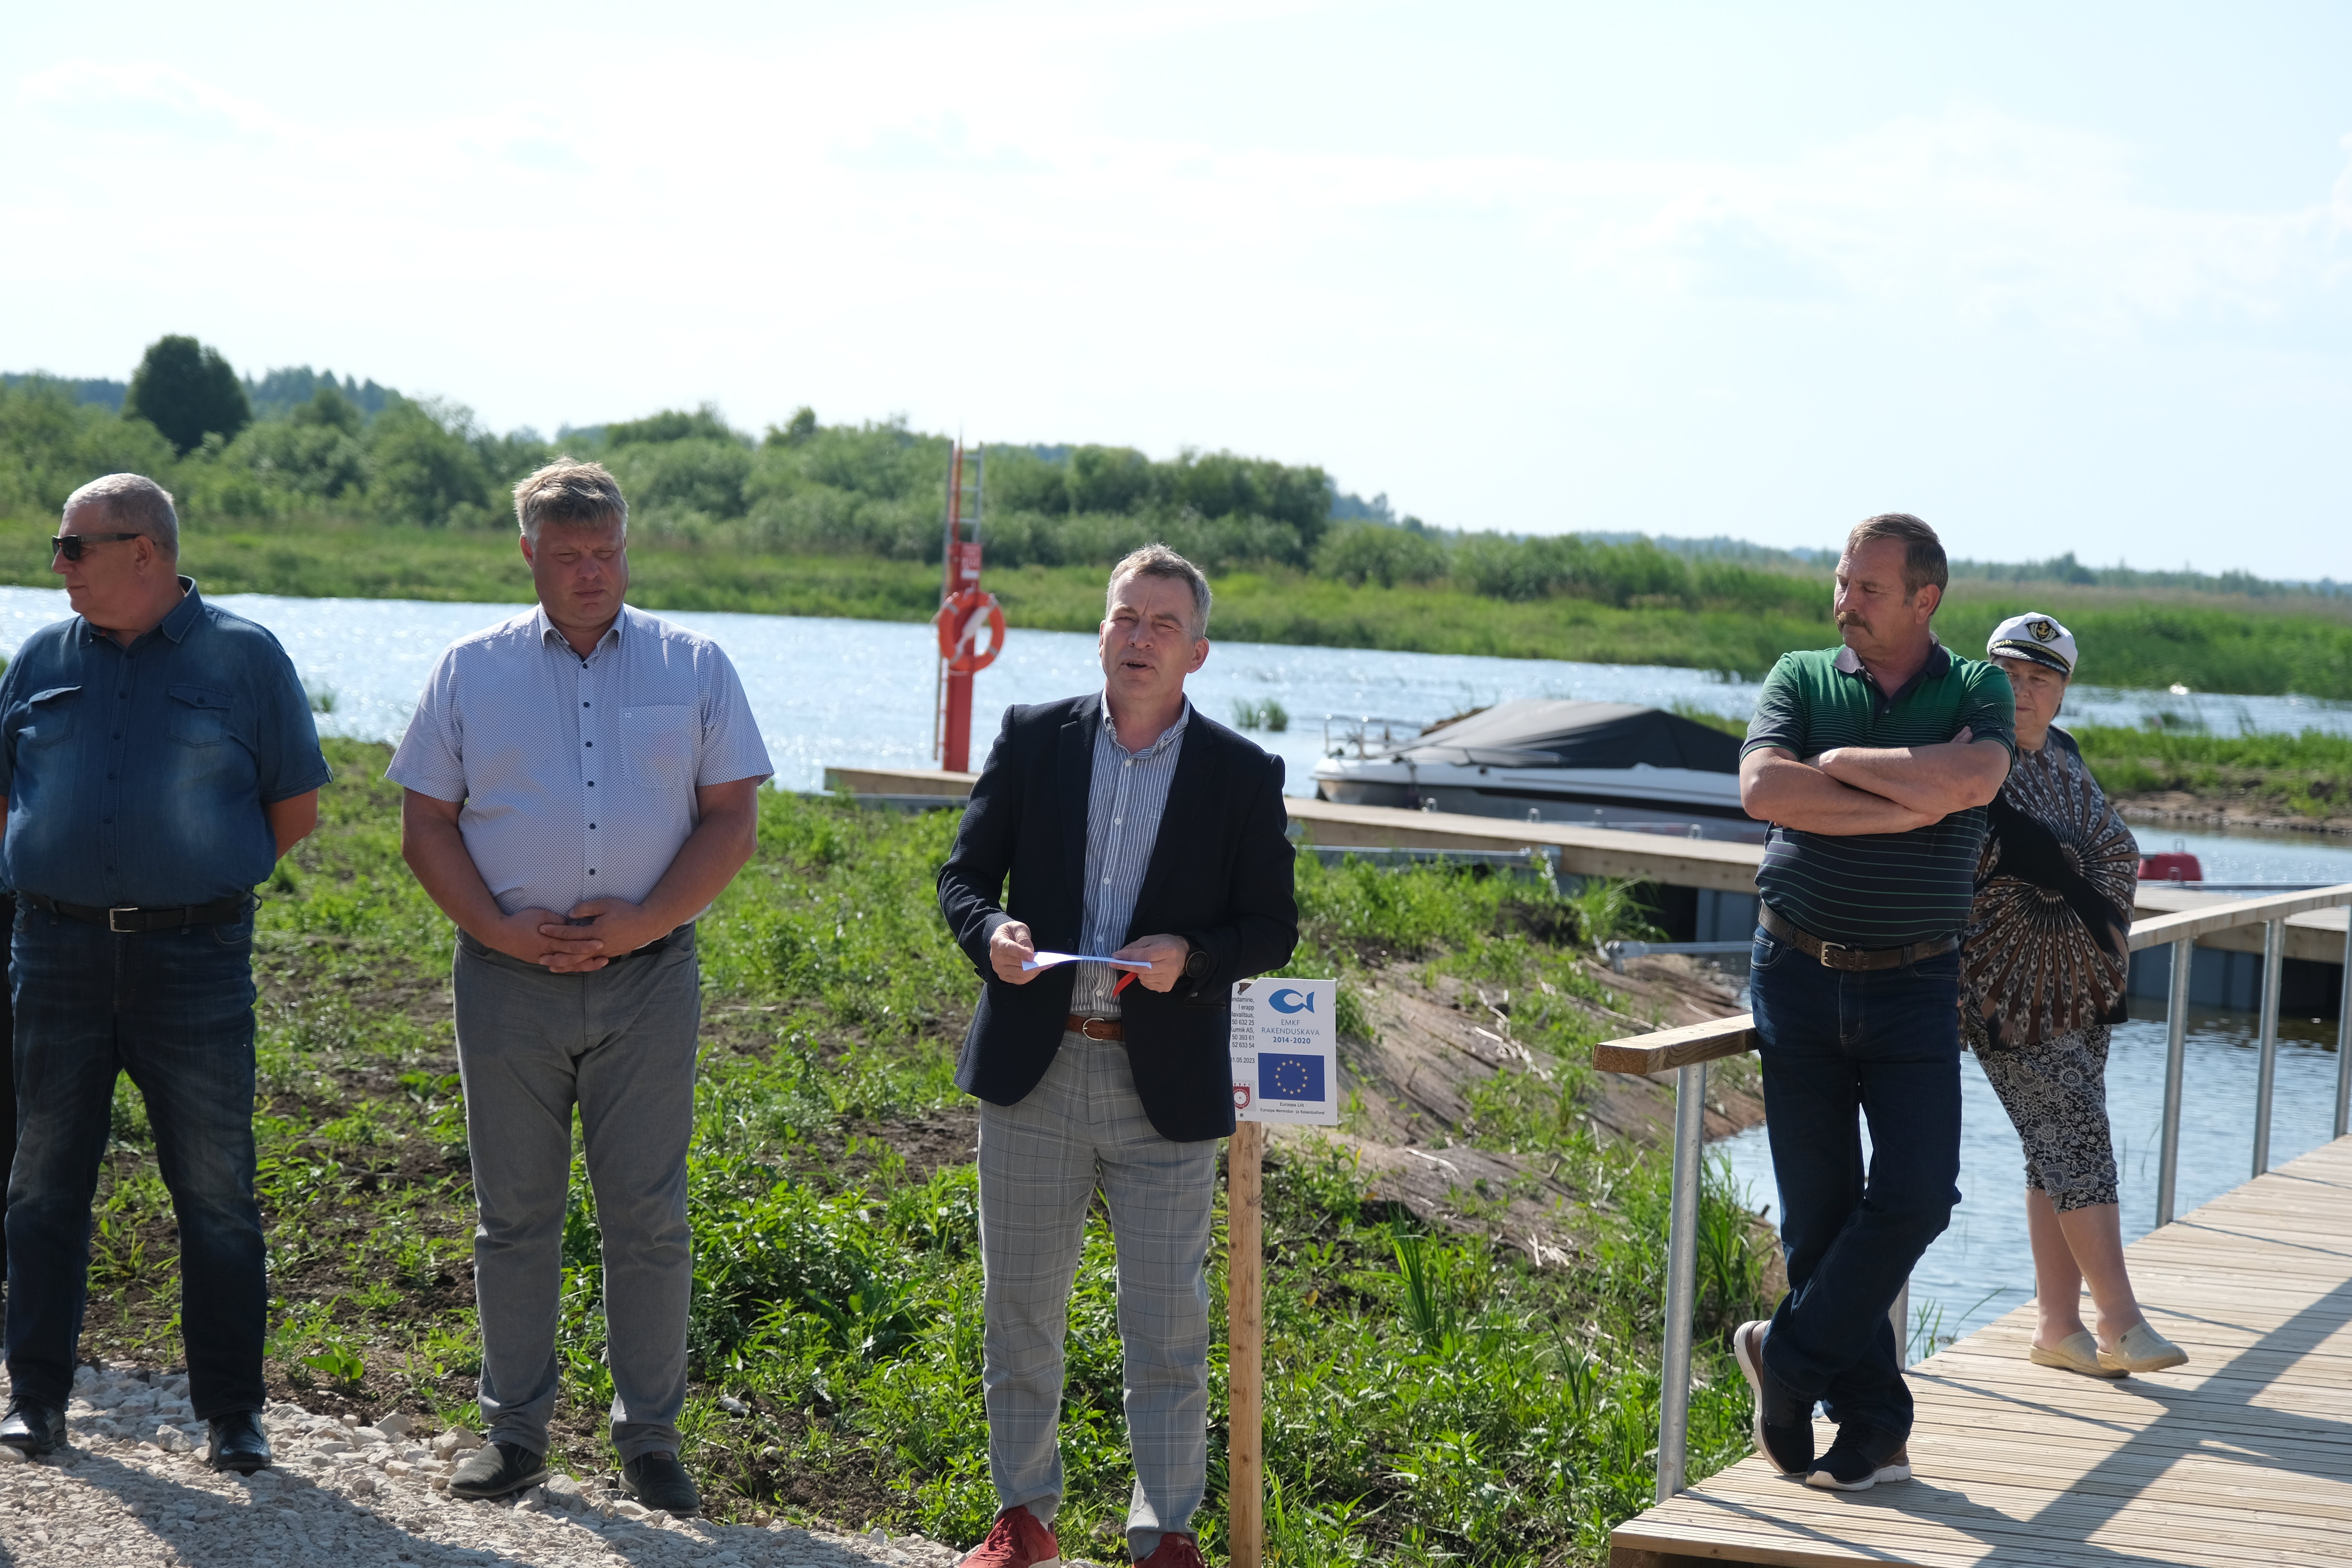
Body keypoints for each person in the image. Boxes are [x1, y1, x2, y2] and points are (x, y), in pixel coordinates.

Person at [387, 460, 772, 1516]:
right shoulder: (470, 670)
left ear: (626, 548)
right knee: (513, 1215)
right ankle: (513, 1435)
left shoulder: (695, 664)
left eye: (607, 552)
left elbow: (731, 820)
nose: (591, 571)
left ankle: (651, 1442)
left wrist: (646, 920)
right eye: (568, 555)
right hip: (507, 981)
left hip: (649, 980)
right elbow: (425, 824)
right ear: (529, 554)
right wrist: (495, 926)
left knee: (648, 1216)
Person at [936, 545, 1297, 1568]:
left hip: (1164, 1087)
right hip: (1035, 1069)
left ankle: (1166, 1532)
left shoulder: (1242, 772)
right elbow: (964, 879)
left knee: (1167, 1325)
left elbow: (1272, 927)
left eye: (1164, 625)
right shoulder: (1033, 738)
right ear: (1102, 633)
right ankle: (1024, 1519)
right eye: (1126, 618)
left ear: (1197, 653)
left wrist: (1194, 956)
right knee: (1020, 1311)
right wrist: (992, 934)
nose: (1141, 639)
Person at [0, 473, 328, 1470]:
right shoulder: (41, 657)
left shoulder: (245, 657)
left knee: (217, 1192)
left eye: (74, 547)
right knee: (42, 1183)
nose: (58, 564)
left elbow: (294, 810)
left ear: (144, 551)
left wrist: (190, 886)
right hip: (55, 952)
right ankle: (35, 1400)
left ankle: (232, 1414)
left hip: (195, 963)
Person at [1732, 513, 2016, 1493]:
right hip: (1796, 973)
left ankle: (1786, 1356)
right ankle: (1877, 1427)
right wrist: (1909, 802)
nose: (1843, 603)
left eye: (1867, 589)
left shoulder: (1976, 688)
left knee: (1920, 1193)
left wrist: (1840, 765)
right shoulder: (1801, 677)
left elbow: (1976, 775)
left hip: (1915, 982)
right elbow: (1764, 790)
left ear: (1925, 599)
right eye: (1842, 582)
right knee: (1817, 1217)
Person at [1964, 612, 2187, 1379]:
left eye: (2040, 679)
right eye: (2008, 676)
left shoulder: (2063, 749)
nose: (2023, 692)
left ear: (2063, 691)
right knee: (2078, 1136)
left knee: (2052, 1149)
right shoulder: (1972, 757)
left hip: (2084, 986)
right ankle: (2119, 1319)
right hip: (2010, 990)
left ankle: (2057, 1327)